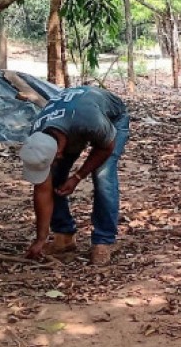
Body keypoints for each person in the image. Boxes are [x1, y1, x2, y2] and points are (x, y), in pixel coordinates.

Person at [20, 85, 129, 265]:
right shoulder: (37, 134)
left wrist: (77, 177)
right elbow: (42, 189)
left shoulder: (90, 121)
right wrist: (41, 238)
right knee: (54, 177)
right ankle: (63, 236)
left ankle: (103, 240)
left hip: (111, 117)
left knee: (103, 174)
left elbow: (106, 148)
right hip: (71, 124)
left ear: (59, 154)